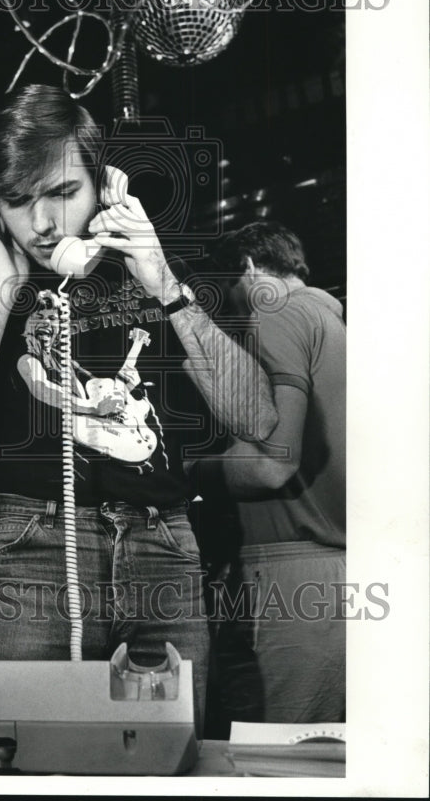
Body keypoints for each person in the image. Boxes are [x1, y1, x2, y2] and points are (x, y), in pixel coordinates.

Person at [0, 85, 278, 734]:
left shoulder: (161, 279)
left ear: (106, 186)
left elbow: (259, 418)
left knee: (162, 758)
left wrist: (164, 287)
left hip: (164, 548)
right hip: (30, 552)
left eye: (62, 193)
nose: (41, 224)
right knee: (15, 752)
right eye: (16, 202)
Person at [192, 221, 346, 726]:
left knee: (272, 760)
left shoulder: (277, 314)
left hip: (289, 570)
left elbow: (270, 464)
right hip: (334, 571)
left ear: (251, 269)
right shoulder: (335, 325)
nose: (231, 308)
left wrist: (182, 470)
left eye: (228, 289)